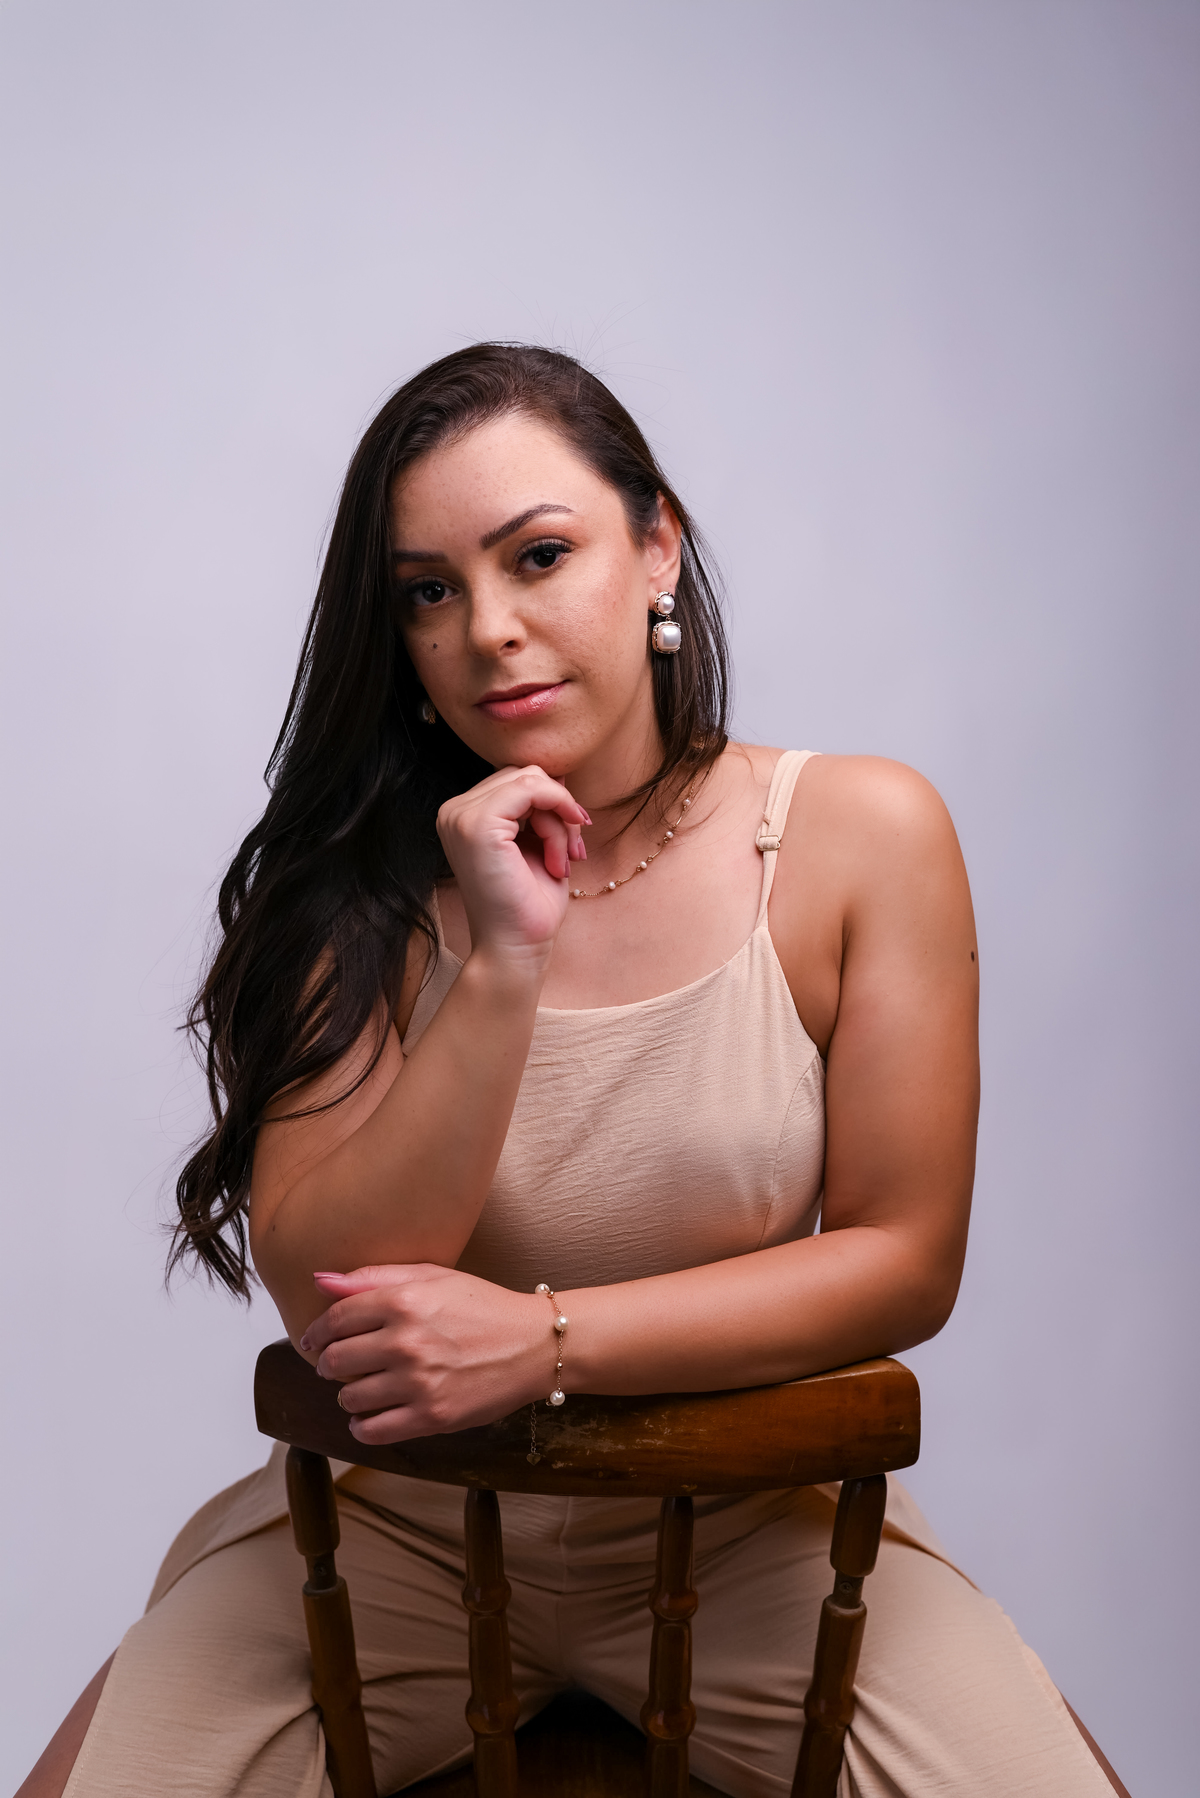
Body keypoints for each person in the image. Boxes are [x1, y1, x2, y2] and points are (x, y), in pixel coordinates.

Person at [24, 345, 1124, 1798]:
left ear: (656, 544)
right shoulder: (354, 890)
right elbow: (330, 1297)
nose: (489, 629)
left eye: (539, 556)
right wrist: (502, 961)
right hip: (395, 1536)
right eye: (428, 592)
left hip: (757, 1534)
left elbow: (904, 1259)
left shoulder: (858, 834)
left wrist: (544, 1342)